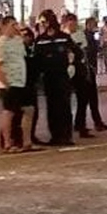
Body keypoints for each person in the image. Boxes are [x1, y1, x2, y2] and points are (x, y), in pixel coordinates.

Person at [35, 11, 75, 146]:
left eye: (45, 21)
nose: (43, 24)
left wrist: (71, 64)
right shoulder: (40, 40)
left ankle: (66, 135)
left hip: (62, 76)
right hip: (48, 77)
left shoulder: (63, 37)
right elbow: (37, 59)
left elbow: (74, 52)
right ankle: (55, 136)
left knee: (64, 106)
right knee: (51, 107)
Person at [0, 16, 30, 153]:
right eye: (13, 25)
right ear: (4, 26)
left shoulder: (18, 41)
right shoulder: (1, 43)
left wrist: (22, 34)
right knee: (9, 113)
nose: (16, 27)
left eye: (16, 24)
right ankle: (7, 143)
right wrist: (5, 83)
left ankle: (25, 141)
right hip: (9, 82)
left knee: (26, 110)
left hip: (20, 81)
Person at [72, 16, 107, 135]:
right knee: (89, 98)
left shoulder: (89, 36)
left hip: (88, 69)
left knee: (86, 99)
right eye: (93, 24)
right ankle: (92, 123)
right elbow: (89, 52)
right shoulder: (85, 36)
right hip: (87, 70)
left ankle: (81, 123)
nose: (95, 26)